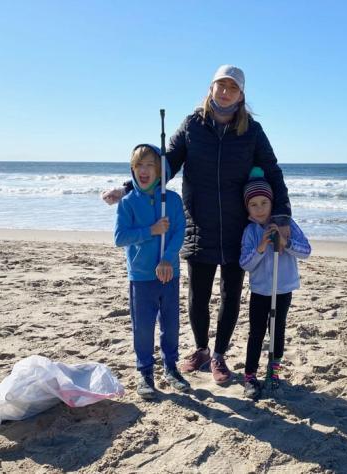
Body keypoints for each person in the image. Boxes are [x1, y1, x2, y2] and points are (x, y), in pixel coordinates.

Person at [104, 65, 292, 385]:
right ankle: (201, 350)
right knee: (199, 295)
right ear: (211, 88)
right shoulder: (193, 125)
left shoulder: (252, 131)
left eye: (232, 88)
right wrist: (128, 187)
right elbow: (165, 164)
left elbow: (272, 172)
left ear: (241, 95)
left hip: (238, 227)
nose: (225, 92)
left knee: (231, 293)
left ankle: (219, 355)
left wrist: (282, 218)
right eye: (221, 85)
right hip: (199, 224)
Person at [114, 144, 189, 399]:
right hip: (142, 275)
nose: (143, 171)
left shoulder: (173, 200)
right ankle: (144, 371)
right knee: (143, 326)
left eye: (150, 165)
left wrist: (168, 258)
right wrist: (151, 231)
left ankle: (170, 367)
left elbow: (179, 231)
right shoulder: (127, 203)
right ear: (132, 170)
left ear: (160, 170)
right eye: (138, 166)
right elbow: (120, 237)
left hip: (169, 273)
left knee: (170, 323)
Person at [239, 168, 311, 400]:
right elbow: (245, 263)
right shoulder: (250, 231)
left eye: (264, 203)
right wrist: (261, 247)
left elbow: (306, 251)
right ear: (247, 208)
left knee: (277, 330)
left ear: (272, 203)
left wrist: (284, 241)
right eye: (254, 205)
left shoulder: (287, 225)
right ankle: (250, 375)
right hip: (260, 290)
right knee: (256, 333)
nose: (260, 209)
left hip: (283, 289)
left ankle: (274, 370)